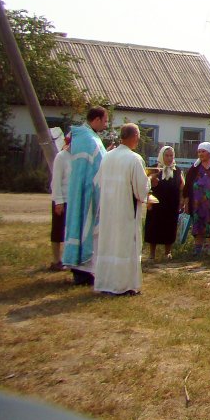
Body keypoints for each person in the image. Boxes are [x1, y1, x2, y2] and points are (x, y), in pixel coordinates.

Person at [93, 123, 150, 295]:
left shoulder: (107, 157)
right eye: (138, 136)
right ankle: (124, 285)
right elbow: (140, 190)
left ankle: (106, 282)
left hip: (109, 208)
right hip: (126, 210)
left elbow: (99, 182)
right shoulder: (134, 159)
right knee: (125, 245)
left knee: (109, 243)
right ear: (134, 137)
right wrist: (150, 182)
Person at [63, 107, 109, 285]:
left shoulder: (89, 136)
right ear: (96, 119)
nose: (106, 125)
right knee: (86, 228)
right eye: (105, 121)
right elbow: (94, 167)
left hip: (88, 189)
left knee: (89, 231)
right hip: (87, 192)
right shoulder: (88, 139)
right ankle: (82, 271)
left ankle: (87, 270)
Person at [182, 141, 210, 255]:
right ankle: (198, 250)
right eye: (199, 152)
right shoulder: (194, 169)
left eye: (203, 151)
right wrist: (186, 203)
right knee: (198, 226)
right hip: (197, 204)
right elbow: (187, 187)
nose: (200, 154)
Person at [144, 145, 184, 262]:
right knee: (153, 226)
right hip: (156, 203)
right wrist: (148, 201)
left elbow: (182, 186)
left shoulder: (177, 170)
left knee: (170, 227)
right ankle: (152, 253)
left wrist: (181, 201)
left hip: (171, 203)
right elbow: (146, 185)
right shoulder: (154, 169)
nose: (169, 158)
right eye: (166, 155)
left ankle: (168, 252)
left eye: (171, 155)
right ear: (162, 156)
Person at [48, 131, 72, 271]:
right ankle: (56, 260)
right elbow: (56, 181)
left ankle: (67, 259)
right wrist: (58, 201)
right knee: (58, 230)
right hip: (62, 199)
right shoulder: (61, 157)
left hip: (72, 199)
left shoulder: (77, 157)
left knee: (69, 231)